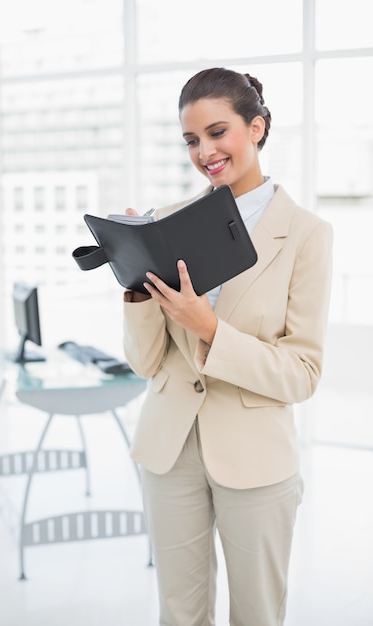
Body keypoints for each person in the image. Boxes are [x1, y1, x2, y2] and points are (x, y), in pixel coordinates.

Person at [122, 67, 333, 626]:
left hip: (255, 456)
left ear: (256, 127)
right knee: (178, 613)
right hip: (170, 449)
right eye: (192, 140)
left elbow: (303, 373)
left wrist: (212, 330)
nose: (205, 151)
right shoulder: (165, 222)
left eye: (218, 132)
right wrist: (135, 284)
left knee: (258, 614)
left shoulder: (308, 234)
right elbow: (145, 363)